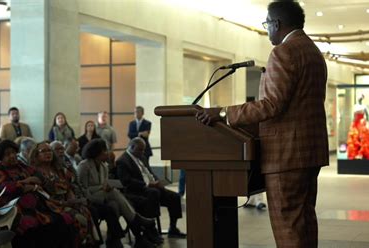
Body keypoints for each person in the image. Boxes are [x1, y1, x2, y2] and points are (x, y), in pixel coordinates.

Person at [195, 2, 328, 247]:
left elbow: (271, 105)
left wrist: (223, 113)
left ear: (277, 24)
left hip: (286, 156)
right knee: (304, 222)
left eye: (267, 24)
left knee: (288, 226)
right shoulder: (313, 52)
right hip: (309, 153)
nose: (267, 30)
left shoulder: (284, 51)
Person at [0, 140, 75, 248]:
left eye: (14, 153)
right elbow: (7, 188)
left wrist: (25, 184)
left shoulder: (21, 166)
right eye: (8, 154)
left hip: (37, 206)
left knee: (59, 220)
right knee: (33, 226)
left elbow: (39, 178)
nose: (12, 156)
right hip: (13, 209)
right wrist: (26, 183)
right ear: (0, 158)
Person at [77, 139, 156, 248]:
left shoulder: (104, 166)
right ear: (97, 153)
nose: (107, 153)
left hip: (103, 195)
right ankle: (135, 219)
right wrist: (103, 187)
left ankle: (114, 239)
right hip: (88, 197)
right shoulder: (84, 165)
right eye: (105, 151)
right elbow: (82, 188)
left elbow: (105, 184)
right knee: (114, 193)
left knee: (115, 205)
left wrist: (107, 186)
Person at [29, 141, 98, 246]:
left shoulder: (59, 170)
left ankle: (88, 244)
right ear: (36, 155)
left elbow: (69, 188)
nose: (48, 153)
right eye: (44, 151)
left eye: (49, 151)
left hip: (66, 202)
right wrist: (63, 204)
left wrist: (73, 201)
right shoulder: (34, 172)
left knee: (85, 211)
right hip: (49, 205)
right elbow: (41, 195)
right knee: (75, 219)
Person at [117, 138, 186, 239]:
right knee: (153, 193)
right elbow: (127, 182)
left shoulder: (142, 157)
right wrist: (148, 184)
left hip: (151, 188)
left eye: (143, 150)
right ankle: (151, 230)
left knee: (174, 197)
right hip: (137, 190)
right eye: (140, 149)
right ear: (132, 147)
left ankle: (173, 228)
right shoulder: (123, 161)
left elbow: (150, 173)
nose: (142, 152)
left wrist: (157, 182)